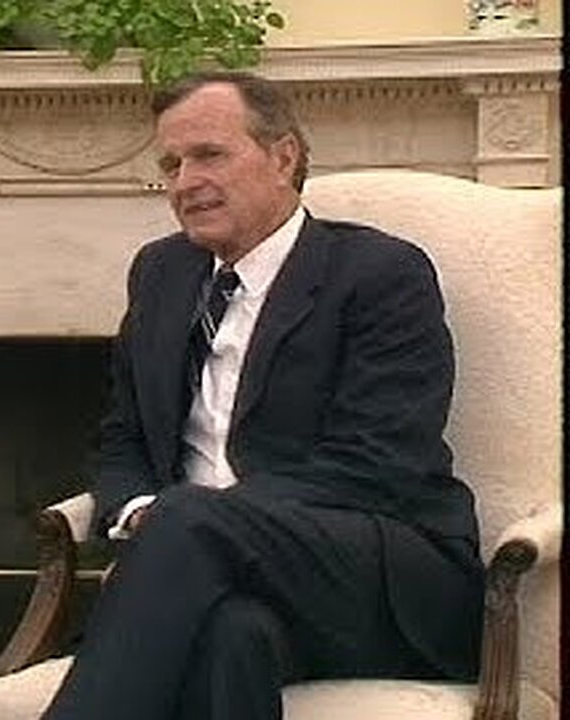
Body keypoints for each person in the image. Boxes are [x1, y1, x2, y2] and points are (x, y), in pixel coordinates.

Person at [42, 73, 483, 720]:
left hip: (373, 573)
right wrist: (140, 512)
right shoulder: (161, 274)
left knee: (189, 520)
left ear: (284, 157)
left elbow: (378, 460)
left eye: (209, 155)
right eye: (171, 164)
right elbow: (123, 436)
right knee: (230, 638)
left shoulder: (381, 274)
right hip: (211, 574)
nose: (184, 181)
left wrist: (190, 523)